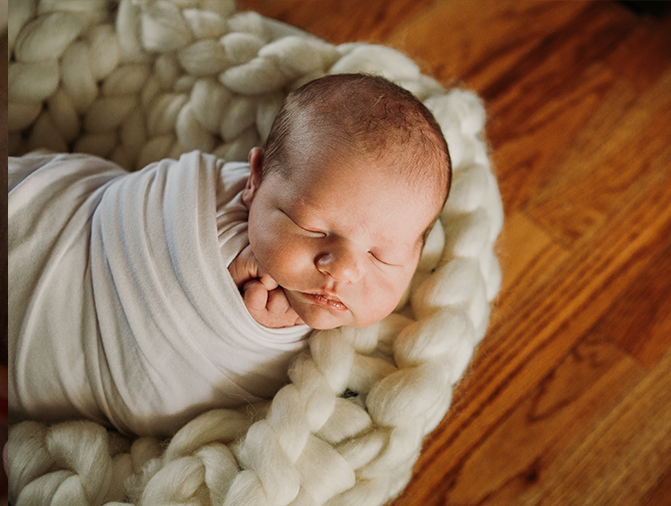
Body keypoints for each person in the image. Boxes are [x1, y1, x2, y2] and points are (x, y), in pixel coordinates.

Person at [6, 73, 451, 436]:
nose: (346, 270)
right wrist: (226, 288)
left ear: (417, 253)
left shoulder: (362, 371)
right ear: (254, 181)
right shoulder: (204, 204)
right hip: (46, 228)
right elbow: (157, 233)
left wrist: (257, 333)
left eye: (383, 255)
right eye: (314, 228)